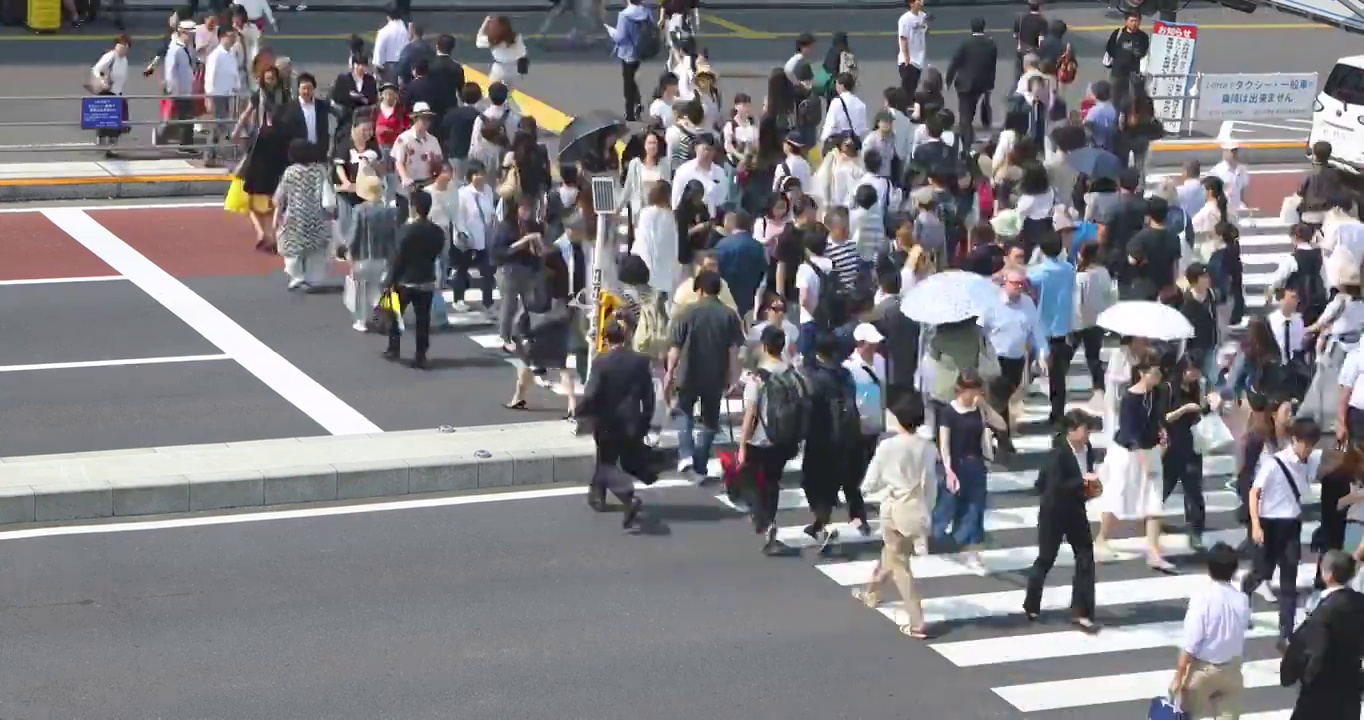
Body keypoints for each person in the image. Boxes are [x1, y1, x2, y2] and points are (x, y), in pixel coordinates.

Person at [855, 393, 937, 639]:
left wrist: (866, 490)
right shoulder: (928, 447)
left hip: (894, 509)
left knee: (899, 563)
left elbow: (870, 481)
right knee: (890, 555)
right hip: (916, 510)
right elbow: (931, 484)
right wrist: (926, 510)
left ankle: (917, 621)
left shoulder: (888, 446)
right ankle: (871, 593)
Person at [1244, 418, 1323, 646]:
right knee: (1262, 572)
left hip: (1291, 525)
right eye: (1305, 444)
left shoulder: (1311, 460)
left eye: (1312, 444)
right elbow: (1254, 493)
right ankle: (1245, 590)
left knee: (1289, 581)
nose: (1308, 449)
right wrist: (1256, 525)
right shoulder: (1274, 463)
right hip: (1269, 524)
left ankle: (1285, 633)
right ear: (1294, 440)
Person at [1095, 357, 1175, 572]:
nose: (1158, 377)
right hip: (1128, 454)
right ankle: (1101, 537)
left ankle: (1154, 550)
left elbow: (1158, 418)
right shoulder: (1130, 398)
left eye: (1159, 374)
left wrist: (1162, 432)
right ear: (1142, 372)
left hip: (1150, 450)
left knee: (1154, 501)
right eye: (1154, 373)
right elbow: (1129, 433)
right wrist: (1144, 460)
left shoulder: (1157, 393)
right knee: (1117, 494)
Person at [664, 270, 745, 480]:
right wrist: (734, 378)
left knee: (684, 413)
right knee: (710, 419)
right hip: (715, 375)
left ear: (698, 290)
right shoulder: (729, 315)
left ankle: (686, 454)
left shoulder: (686, 313)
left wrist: (669, 373)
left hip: (688, 372)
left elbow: (675, 348)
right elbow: (734, 350)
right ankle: (700, 463)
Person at [1023, 410, 1100, 632]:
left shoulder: (1088, 450)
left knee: (1085, 556)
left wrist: (1090, 489)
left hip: (1076, 510)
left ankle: (1082, 611)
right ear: (1071, 430)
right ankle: (1032, 603)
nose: (1088, 435)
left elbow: (1087, 476)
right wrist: (1082, 481)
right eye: (1084, 429)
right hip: (1053, 512)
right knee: (1046, 558)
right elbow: (1053, 487)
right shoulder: (1058, 454)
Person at [577, 321, 654, 530]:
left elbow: (591, 393)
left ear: (606, 339)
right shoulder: (639, 361)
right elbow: (649, 396)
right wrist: (646, 420)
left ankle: (627, 498)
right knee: (621, 460)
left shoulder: (601, 362)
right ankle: (596, 496)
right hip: (632, 421)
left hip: (607, 421)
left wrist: (581, 412)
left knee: (606, 461)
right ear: (626, 338)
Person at [933, 369, 1007, 571]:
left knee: (975, 509)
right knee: (947, 506)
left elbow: (1001, 425)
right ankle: (931, 536)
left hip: (976, 464)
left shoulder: (979, 409)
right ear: (960, 389)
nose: (974, 394)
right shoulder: (948, 412)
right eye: (971, 390)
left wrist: (985, 407)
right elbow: (944, 444)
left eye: (977, 390)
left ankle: (971, 551)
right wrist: (948, 470)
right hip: (956, 464)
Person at [737, 324, 802, 551]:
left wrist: (742, 444)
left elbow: (750, 413)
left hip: (760, 438)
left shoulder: (758, 378)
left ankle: (763, 519)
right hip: (784, 438)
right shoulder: (792, 373)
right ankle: (770, 521)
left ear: (764, 346)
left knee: (748, 478)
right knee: (773, 481)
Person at [1168, 542, 1250, 719]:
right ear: (1234, 570)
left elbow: (1191, 643)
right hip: (1232, 670)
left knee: (1194, 714)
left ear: (1208, 568)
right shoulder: (1242, 599)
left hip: (1203, 671)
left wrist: (1178, 677)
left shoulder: (1202, 599)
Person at [1281, 549, 1364, 720]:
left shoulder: (1323, 613)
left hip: (1320, 693)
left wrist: (1294, 672)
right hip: (1350, 688)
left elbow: (1313, 651)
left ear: (1328, 575)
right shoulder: (1359, 602)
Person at [801, 332, 866, 549]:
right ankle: (826, 521)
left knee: (812, 481)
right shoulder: (846, 375)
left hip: (820, 435)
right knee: (835, 481)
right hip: (846, 434)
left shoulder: (815, 378)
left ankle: (823, 522)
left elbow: (808, 407)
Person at [383, 190, 445, 369]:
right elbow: (438, 251)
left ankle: (393, 348)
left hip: (404, 280)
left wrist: (389, 280)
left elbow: (397, 257)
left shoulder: (406, 231)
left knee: (394, 314)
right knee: (422, 319)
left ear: (414, 208)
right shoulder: (436, 232)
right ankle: (421, 354)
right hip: (426, 279)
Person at [1164, 362, 1217, 551]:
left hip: (1192, 444)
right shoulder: (1169, 387)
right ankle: (1150, 521)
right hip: (1172, 445)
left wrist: (1208, 405)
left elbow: (1202, 412)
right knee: (1165, 486)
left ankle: (1196, 530)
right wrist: (1184, 409)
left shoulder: (1198, 387)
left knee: (1193, 489)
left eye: (1197, 370)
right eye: (1191, 371)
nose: (1195, 374)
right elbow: (1164, 417)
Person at [272, 140, 332, 291]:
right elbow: (327, 194)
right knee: (316, 251)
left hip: (295, 217)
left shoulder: (290, 172)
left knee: (292, 250)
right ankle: (314, 279)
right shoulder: (320, 170)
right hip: (317, 216)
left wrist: (276, 217)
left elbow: (280, 198)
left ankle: (297, 277)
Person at [344, 173, 400, 332]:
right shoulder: (390, 212)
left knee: (361, 290)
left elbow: (354, 234)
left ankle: (361, 321)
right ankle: (384, 314)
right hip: (383, 257)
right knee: (378, 288)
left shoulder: (360, 210)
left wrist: (348, 252)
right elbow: (394, 235)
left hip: (363, 256)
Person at [944, 18, 997, 147]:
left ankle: (966, 144)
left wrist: (948, 80)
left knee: (965, 114)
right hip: (982, 85)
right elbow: (992, 67)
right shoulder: (991, 45)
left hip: (965, 84)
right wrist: (990, 85)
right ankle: (970, 134)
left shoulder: (966, 44)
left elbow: (955, 63)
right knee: (971, 111)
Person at [452, 161, 497, 312]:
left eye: (482, 173)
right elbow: (459, 217)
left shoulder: (488, 191)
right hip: (468, 238)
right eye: (477, 174)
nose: (480, 177)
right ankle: (459, 299)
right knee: (462, 269)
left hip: (485, 238)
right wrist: (464, 234)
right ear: (470, 176)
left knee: (487, 271)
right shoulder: (463, 194)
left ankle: (488, 302)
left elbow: (491, 211)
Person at [475, 16, 528, 91]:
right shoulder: (517, 37)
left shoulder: (492, 40)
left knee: (493, 91)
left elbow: (478, 41)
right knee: (510, 92)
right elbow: (523, 52)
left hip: (499, 69)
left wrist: (485, 23)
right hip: (514, 69)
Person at [896, 0, 929, 96]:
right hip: (908, 61)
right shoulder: (905, 19)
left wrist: (929, 25)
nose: (921, 2)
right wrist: (907, 58)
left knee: (913, 86)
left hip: (919, 59)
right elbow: (903, 38)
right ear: (912, 4)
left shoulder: (923, 16)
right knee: (907, 88)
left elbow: (924, 32)